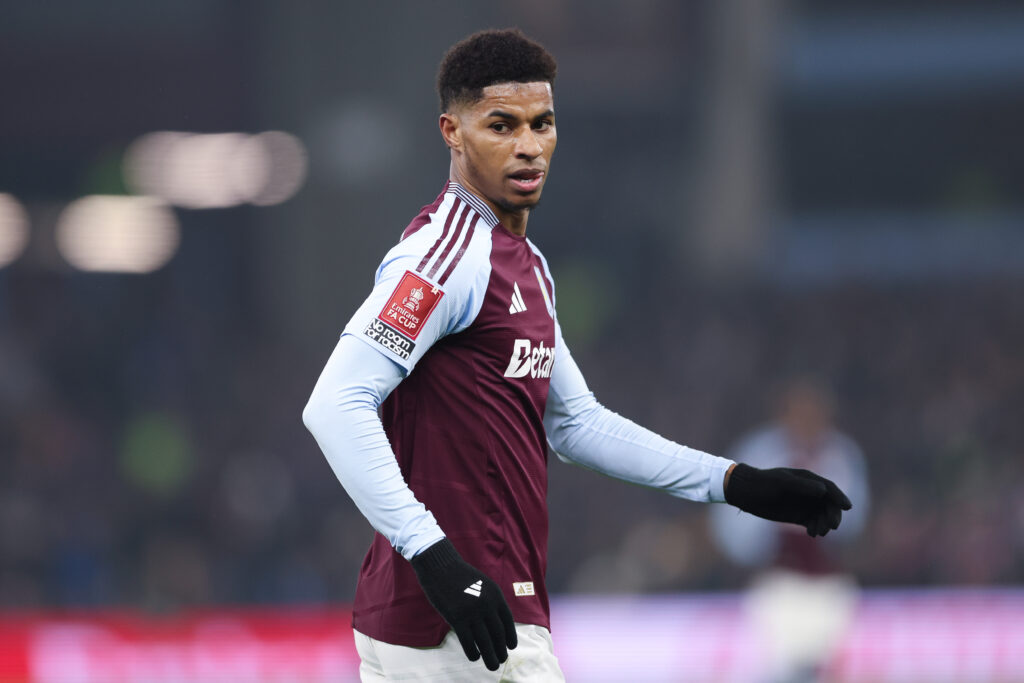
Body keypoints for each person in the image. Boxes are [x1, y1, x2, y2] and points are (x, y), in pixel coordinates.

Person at [303, 29, 852, 682]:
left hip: (475, 619)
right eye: (501, 125)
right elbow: (334, 403)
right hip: (455, 625)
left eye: (542, 123)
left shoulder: (526, 266)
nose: (528, 145)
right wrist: (437, 559)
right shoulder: (444, 257)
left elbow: (576, 422)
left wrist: (737, 482)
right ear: (452, 132)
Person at [709, 377, 870, 683]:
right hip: (778, 581)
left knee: (827, 671)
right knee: (778, 670)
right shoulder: (761, 453)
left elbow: (854, 519)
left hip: (828, 582)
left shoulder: (841, 454)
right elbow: (731, 525)